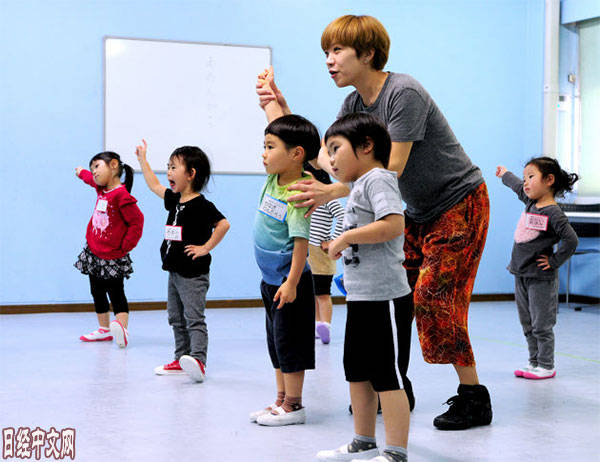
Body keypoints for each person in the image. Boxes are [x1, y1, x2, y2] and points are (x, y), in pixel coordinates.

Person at [256, 14, 492, 429]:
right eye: (326, 52)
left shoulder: (403, 93)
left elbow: (390, 170)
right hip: (414, 211)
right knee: (393, 298)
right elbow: (329, 157)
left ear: (367, 54)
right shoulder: (353, 105)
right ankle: (394, 386)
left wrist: (331, 191)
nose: (329, 60)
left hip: (459, 202)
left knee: (433, 298)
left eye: (337, 51)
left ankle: (473, 397)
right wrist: (282, 111)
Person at [317, 113, 410, 462]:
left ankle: (396, 451)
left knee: (387, 374)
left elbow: (393, 224)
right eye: (328, 151)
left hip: (384, 296)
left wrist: (345, 238)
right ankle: (363, 440)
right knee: (357, 371)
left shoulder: (378, 179)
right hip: (360, 296)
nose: (332, 159)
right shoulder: (359, 185)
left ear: (366, 146)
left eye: (336, 149)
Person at [136, 140, 230, 383]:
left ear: (191, 174)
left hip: (193, 274)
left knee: (193, 318)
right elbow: (154, 185)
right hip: (174, 270)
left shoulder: (202, 205)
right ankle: (181, 359)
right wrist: (142, 160)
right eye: (168, 167)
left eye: (173, 167)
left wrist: (205, 248)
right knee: (175, 317)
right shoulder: (174, 199)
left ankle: (198, 359)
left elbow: (223, 224)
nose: (168, 172)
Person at [249, 114, 320, 427]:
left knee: (290, 344)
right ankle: (280, 399)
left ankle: (294, 404)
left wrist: (291, 283)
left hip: (290, 284)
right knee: (276, 343)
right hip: (270, 281)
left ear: (296, 154)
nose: (264, 153)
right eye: (264, 145)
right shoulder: (273, 179)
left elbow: (301, 244)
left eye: (270, 147)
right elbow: (281, 124)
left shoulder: (298, 192)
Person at [496, 157, 579, 380]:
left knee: (542, 323)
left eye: (531, 177)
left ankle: (546, 365)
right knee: (527, 322)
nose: (525, 182)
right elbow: (516, 185)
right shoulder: (530, 202)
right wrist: (505, 174)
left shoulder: (554, 213)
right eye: (525, 177)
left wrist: (554, 261)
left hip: (541, 278)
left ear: (549, 180)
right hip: (521, 273)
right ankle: (534, 362)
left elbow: (571, 240)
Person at [75, 151, 144, 348]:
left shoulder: (121, 195)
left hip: (113, 255)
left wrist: (126, 246)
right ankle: (104, 329)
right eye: (92, 169)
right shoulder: (101, 189)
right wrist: (81, 173)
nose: (94, 172)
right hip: (94, 252)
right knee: (96, 291)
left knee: (116, 292)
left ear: (113, 165)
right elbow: (90, 180)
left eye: (97, 166)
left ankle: (122, 329)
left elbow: (137, 222)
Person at [303, 162, 344, 345]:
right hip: (306, 251)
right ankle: (317, 326)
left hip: (320, 251)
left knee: (323, 292)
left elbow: (343, 216)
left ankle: (325, 325)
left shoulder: (328, 198)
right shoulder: (304, 199)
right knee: (312, 292)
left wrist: (334, 241)